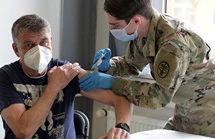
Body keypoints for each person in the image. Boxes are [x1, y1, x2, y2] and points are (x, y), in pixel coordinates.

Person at [79, 0, 215, 138]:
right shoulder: (146, 31)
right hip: (185, 113)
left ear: (136, 20)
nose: (112, 30)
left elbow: (157, 97)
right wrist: (108, 66)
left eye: (116, 25)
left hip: (207, 118)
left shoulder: (173, 43)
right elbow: (131, 65)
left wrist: (112, 82)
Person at [0, 14, 133, 139]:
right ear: (16, 49)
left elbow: (121, 97)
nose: (39, 50)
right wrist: (54, 86)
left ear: (51, 42)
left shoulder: (65, 70)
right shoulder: (5, 76)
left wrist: (122, 128)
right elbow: (24, 132)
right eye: (29, 45)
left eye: (43, 42)